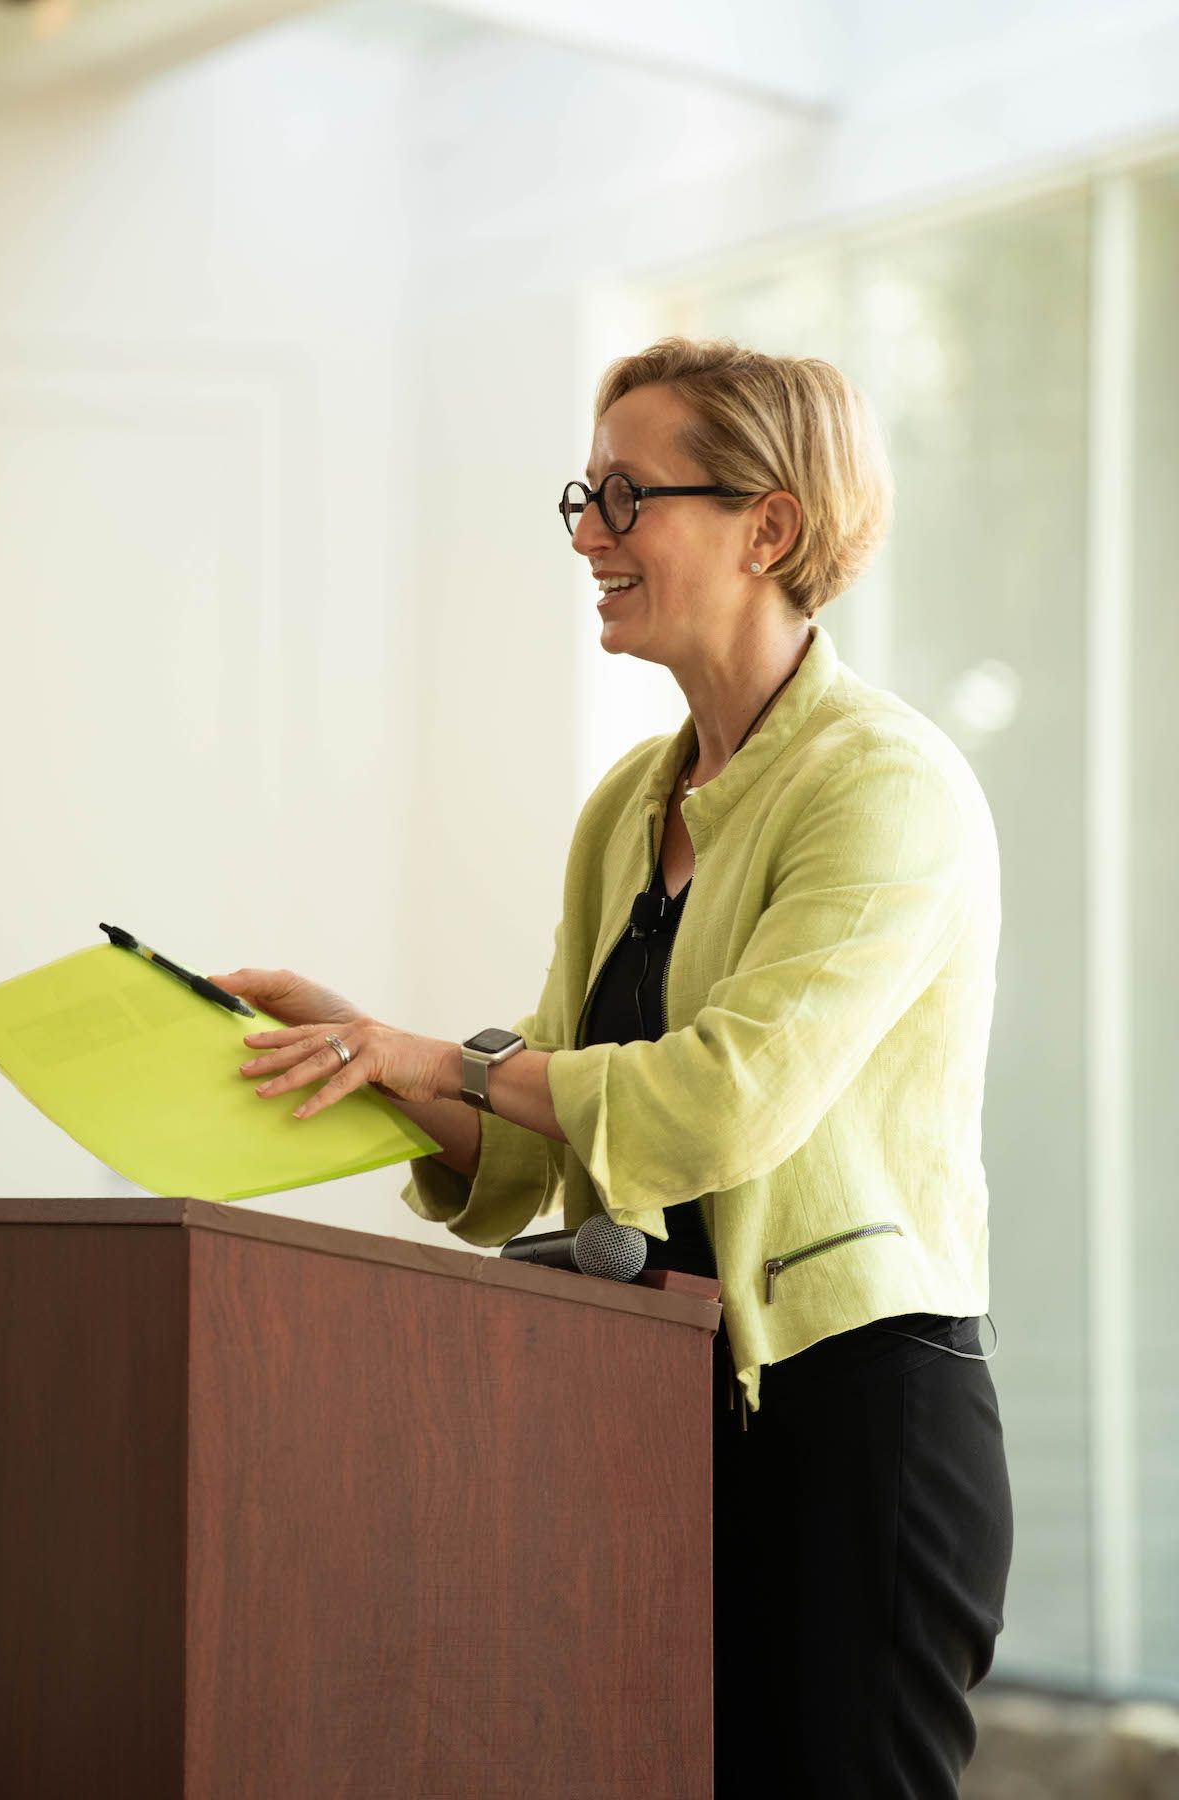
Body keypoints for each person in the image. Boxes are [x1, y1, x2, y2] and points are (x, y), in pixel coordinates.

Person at [211, 335, 1015, 1797]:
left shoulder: (885, 789)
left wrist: (436, 1055)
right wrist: (366, 1056)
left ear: (769, 525)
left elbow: (718, 1105)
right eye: (584, 495)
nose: (587, 533)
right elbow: (541, 1139)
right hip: (653, 1407)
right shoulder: (629, 807)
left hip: (857, 1426)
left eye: (629, 497)